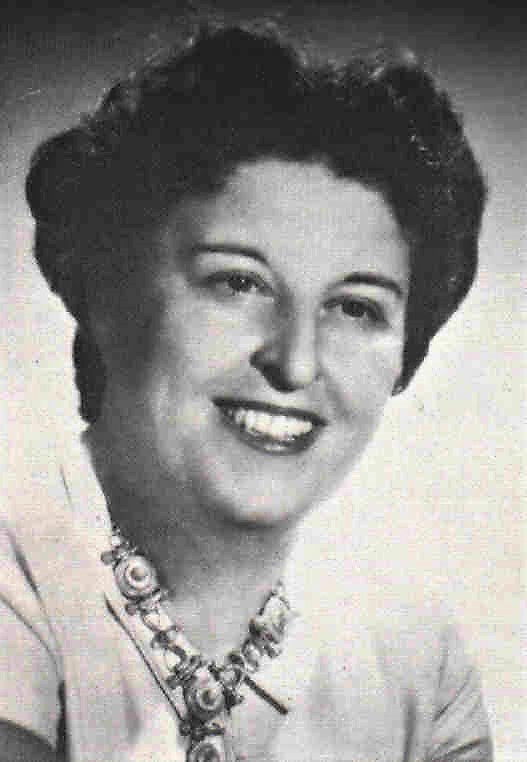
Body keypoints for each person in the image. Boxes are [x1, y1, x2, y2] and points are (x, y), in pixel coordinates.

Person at [1, 24, 492, 762]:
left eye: (355, 307)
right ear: (105, 292)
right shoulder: (18, 569)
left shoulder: (418, 661)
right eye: (238, 283)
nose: (295, 363)